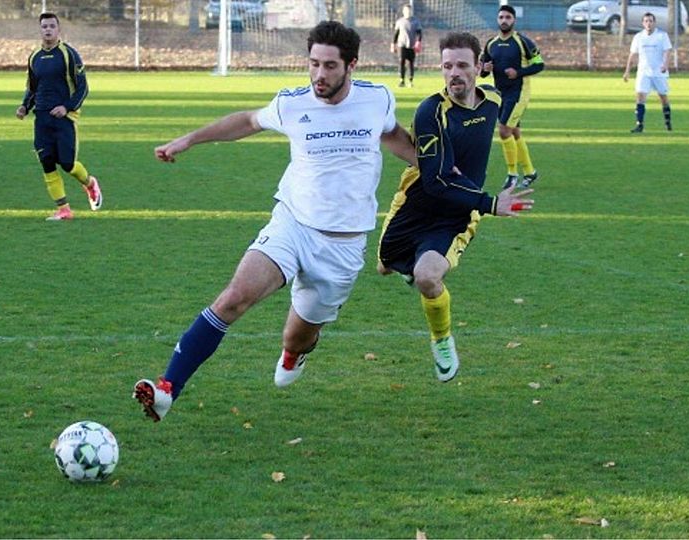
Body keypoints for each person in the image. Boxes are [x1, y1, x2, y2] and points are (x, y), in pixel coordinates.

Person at [133, 20, 417, 422]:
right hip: (293, 226)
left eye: (330, 66)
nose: (319, 74)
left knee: (297, 336)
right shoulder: (292, 103)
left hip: (343, 246)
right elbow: (248, 121)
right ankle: (167, 389)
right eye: (314, 63)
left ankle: (294, 352)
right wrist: (190, 139)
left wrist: (440, 172)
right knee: (234, 297)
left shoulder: (378, 99)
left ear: (352, 65)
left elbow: (394, 137)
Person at [377, 31, 534, 383]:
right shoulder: (431, 112)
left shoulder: (492, 99)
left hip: (457, 213)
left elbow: (508, 118)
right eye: (447, 66)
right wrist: (493, 202)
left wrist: (482, 203)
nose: (454, 74)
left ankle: (442, 339)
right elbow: (435, 181)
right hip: (415, 204)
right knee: (384, 267)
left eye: (463, 65)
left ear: (479, 67)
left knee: (427, 277)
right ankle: (404, 264)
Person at [16, 12, 102, 221]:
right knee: (46, 161)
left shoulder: (69, 54)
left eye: (52, 26)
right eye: (44, 26)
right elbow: (32, 87)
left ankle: (90, 184)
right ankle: (64, 209)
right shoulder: (34, 57)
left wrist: (67, 107)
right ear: (40, 30)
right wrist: (24, 107)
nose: (48, 30)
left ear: (58, 29)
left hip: (64, 119)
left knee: (67, 164)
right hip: (42, 118)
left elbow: (83, 87)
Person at [480, 4, 544, 189]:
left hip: (519, 93)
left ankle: (512, 174)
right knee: (514, 132)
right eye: (501, 17)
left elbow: (539, 64)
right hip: (501, 93)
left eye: (508, 17)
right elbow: (484, 71)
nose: (504, 20)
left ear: (514, 20)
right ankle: (530, 172)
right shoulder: (491, 43)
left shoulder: (523, 42)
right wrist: (485, 69)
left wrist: (519, 72)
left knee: (503, 130)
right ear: (497, 20)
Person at [623, 12, 673, 133]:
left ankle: (667, 122)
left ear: (654, 23)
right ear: (643, 23)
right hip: (643, 72)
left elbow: (667, 51)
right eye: (646, 21)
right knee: (640, 97)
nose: (648, 23)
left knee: (663, 98)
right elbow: (632, 55)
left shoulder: (662, 36)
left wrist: (665, 65)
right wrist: (627, 71)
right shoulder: (638, 37)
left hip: (658, 72)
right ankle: (639, 125)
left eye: (650, 21)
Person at [390, 3, 423, 88]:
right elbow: (396, 34)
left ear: (411, 11)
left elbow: (419, 33)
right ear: (403, 11)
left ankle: (411, 80)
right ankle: (402, 80)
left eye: (409, 10)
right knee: (401, 62)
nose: (408, 12)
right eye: (406, 10)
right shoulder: (400, 21)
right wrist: (393, 44)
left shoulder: (416, 21)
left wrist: (418, 42)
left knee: (411, 63)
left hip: (412, 45)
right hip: (402, 44)